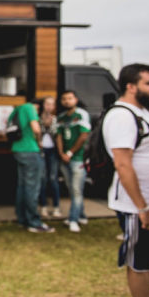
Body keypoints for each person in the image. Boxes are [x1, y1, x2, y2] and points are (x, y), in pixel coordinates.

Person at [103, 63, 149, 297]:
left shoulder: (144, 113)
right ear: (131, 87)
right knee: (140, 262)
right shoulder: (121, 115)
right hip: (137, 206)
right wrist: (142, 208)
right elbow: (123, 165)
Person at [9, 101, 55, 233]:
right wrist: (39, 142)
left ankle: (22, 218)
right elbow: (36, 128)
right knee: (32, 188)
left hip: (18, 149)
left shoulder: (16, 109)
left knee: (22, 186)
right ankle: (34, 222)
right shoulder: (30, 108)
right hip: (30, 150)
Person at [55, 90, 91, 232]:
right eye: (64, 99)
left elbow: (83, 136)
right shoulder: (61, 117)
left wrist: (70, 153)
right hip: (65, 159)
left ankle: (73, 219)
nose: (67, 101)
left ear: (75, 99)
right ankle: (82, 215)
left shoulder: (82, 114)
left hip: (78, 158)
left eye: (70, 98)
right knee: (72, 189)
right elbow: (58, 136)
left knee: (77, 190)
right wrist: (61, 153)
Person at [37, 96, 61, 219]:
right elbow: (37, 133)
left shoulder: (56, 119)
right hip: (41, 150)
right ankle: (44, 206)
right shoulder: (37, 118)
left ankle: (56, 207)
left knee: (53, 178)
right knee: (42, 179)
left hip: (52, 151)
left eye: (52, 104)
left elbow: (57, 135)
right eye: (47, 104)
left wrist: (50, 125)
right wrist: (43, 124)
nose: (49, 107)